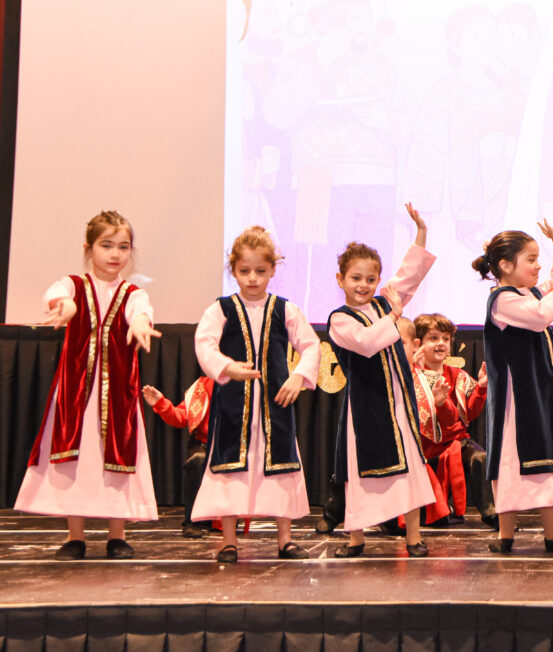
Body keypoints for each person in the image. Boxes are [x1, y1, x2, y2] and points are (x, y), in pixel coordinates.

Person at [16, 210, 162, 560]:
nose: (115, 254)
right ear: (89, 248)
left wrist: (141, 323)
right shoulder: (73, 286)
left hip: (118, 397)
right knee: (77, 459)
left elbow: (140, 311)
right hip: (76, 395)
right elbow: (56, 294)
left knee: (117, 457)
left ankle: (117, 534)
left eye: (123, 247)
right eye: (106, 245)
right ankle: (75, 535)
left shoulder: (132, 293)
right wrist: (64, 305)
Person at [191, 226, 321, 564]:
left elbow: (310, 345)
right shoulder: (221, 309)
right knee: (230, 471)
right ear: (233, 270)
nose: (252, 278)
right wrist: (226, 367)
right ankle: (229, 541)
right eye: (244, 270)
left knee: (281, 469)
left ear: (273, 270)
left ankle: (285, 539)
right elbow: (204, 343)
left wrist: (298, 377)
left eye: (260, 271)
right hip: (234, 409)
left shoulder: (285, 309)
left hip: (275, 408)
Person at [327, 203, 436, 558]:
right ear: (340, 279)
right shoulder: (340, 319)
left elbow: (409, 276)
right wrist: (393, 318)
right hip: (366, 408)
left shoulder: (383, 304)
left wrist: (421, 232)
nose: (363, 285)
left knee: (410, 470)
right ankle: (356, 539)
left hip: (398, 404)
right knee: (360, 474)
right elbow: (366, 343)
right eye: (355, 278)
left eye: (370, 279)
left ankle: (414, 537)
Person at [472, 221, 553, 554]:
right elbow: (540, 315)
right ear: (506, 266)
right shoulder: (502, 300)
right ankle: (505, 534)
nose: (537, 266)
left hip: (539, 392)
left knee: (548, 458)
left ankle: (552, 535)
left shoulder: (528, 294)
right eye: (531, 260)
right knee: (510, 461)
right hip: (514, 401)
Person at [411, 313, 488, 523]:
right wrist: (437, 403)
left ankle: (493, 514)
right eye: (433, 338)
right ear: (419, 344)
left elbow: (468, 414)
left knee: (480, 458)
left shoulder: (457, 375)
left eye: (445, 339)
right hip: (424, 446)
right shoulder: (412, 376)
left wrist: (481, 388)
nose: (441, 343)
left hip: (456, 441)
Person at [141, 378, 214, 538]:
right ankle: (191, 521)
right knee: (197, 462)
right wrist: (160, 403)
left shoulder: (244, 384)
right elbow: (181, 417)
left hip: (232, 447)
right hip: (205, 446)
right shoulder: (203, 385)